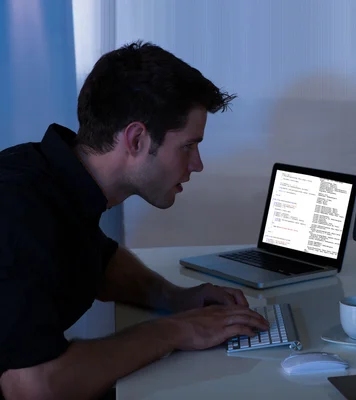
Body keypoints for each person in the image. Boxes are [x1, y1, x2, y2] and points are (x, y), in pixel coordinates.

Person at [0, 41, 269, 400]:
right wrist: (173, 331)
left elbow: (99, 260)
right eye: (188, 146)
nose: (197, 164)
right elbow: (35, 387)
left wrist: (175, 299)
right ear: (137, 139)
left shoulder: (54, 178)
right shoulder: (18, 213)